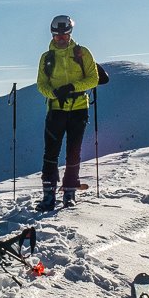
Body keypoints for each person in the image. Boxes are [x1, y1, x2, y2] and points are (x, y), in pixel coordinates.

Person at [34, 15, 100, 211]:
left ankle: (69, 194)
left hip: (79, 108)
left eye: (64, 35)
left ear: (70, 34)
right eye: (58, 36)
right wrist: (54, 93)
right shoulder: (47, 58)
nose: (61, 39)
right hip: (56, 110)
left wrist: (71, 87)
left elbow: (93, 79)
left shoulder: (82, 53)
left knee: (73, 152)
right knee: (50, 153)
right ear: (52, 35)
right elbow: (41, 84)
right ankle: (48, 196)